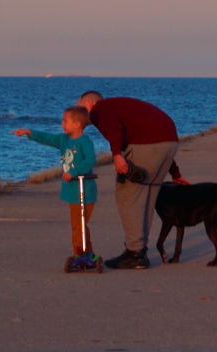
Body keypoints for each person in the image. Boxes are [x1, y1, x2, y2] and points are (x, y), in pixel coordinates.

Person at [77, 91, 185, 269]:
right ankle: (139, 250)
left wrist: (117, 155)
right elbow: (156, 135)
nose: (76, 110)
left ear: (89, 103)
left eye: (78, 105)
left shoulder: (99, 109)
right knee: (147, 198)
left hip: (148, 143)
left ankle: (134, 253)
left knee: (128, 195)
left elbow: (114, 129)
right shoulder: (118, 107)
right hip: (170, 141)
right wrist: (175, 173)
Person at [13, 106, 98, 265]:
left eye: (65, 121)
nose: (62, 124)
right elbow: (48, 138)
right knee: (77, 225)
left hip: (85, 190)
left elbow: (90, 160)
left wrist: (74, 172)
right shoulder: (63, 140)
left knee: (79, 225)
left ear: (77, 124)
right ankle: (83, 253)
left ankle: (84, 253)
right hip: (72, 191)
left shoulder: (84, 141)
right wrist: (29, 133)